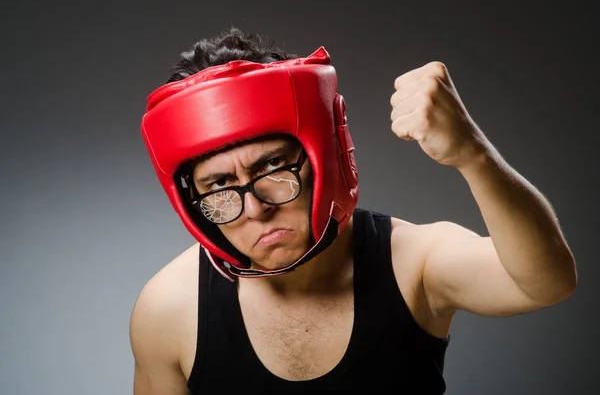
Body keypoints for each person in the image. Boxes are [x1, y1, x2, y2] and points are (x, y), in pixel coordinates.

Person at [129, 27, 577, 394]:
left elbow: (545, 283)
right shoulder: (171, 309)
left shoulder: (412, 262)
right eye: (220, 185)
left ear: (324, 156)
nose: (255, 209)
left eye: (272, 166)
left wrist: (473, 154)